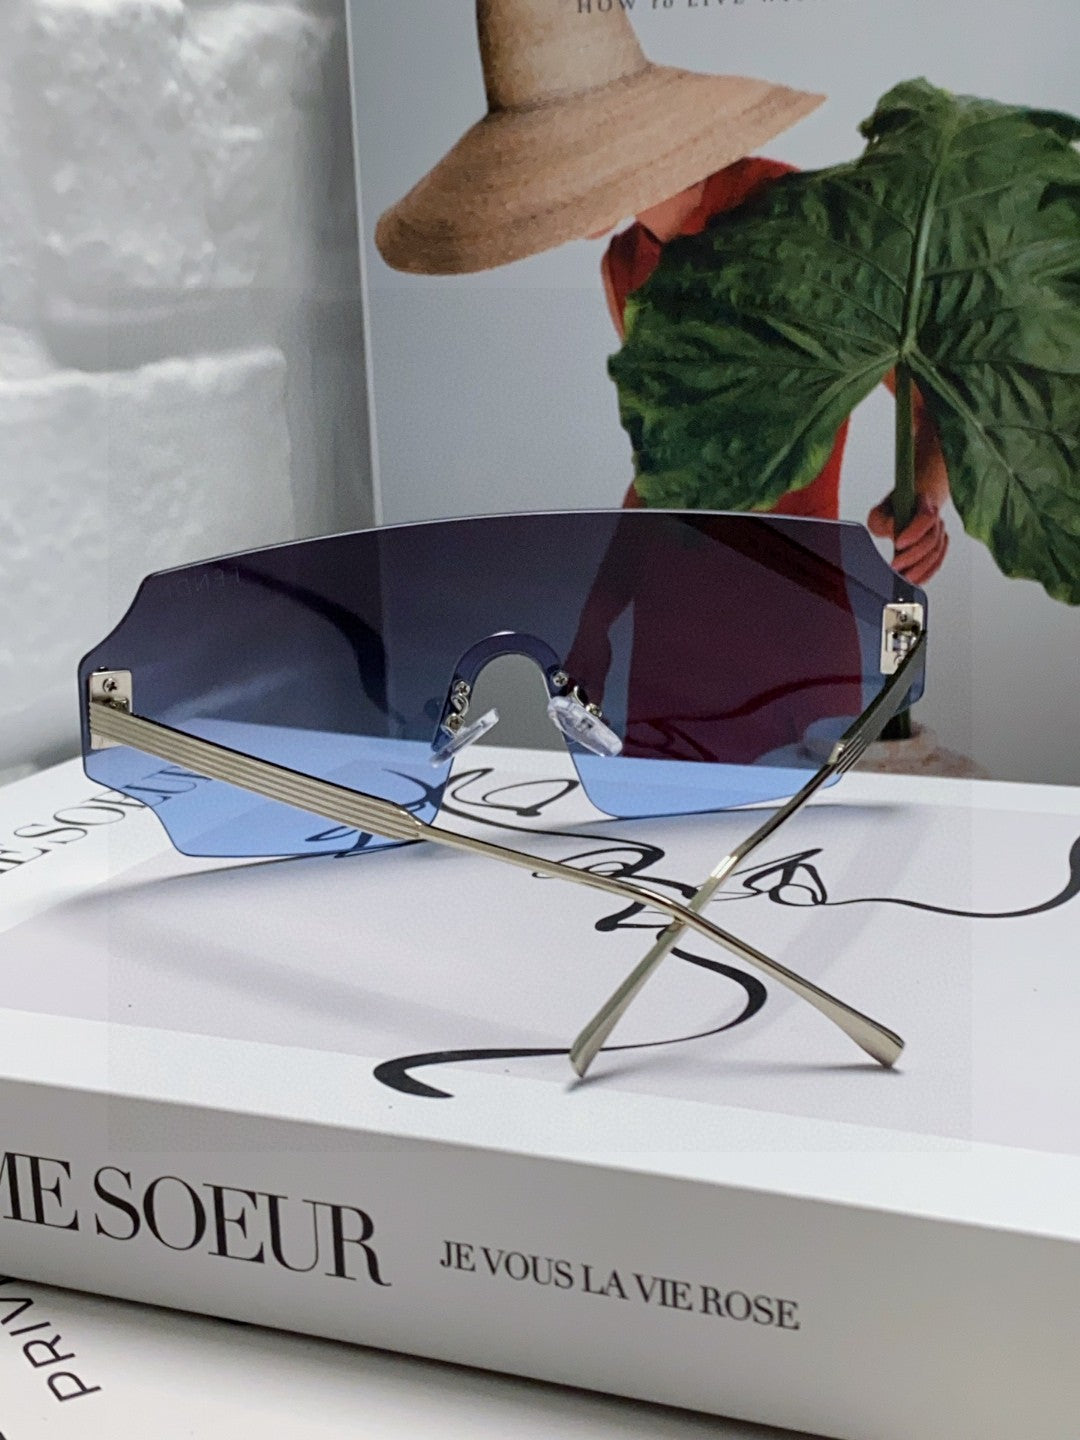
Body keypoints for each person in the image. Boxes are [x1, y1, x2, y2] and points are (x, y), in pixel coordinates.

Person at [596, 163, 951, 584]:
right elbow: (664, 463)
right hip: (667, 596)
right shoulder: (623, 262)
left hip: (796, 594)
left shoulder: (804, 217)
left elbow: (936, 402)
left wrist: (922, 499)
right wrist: (603, 602)